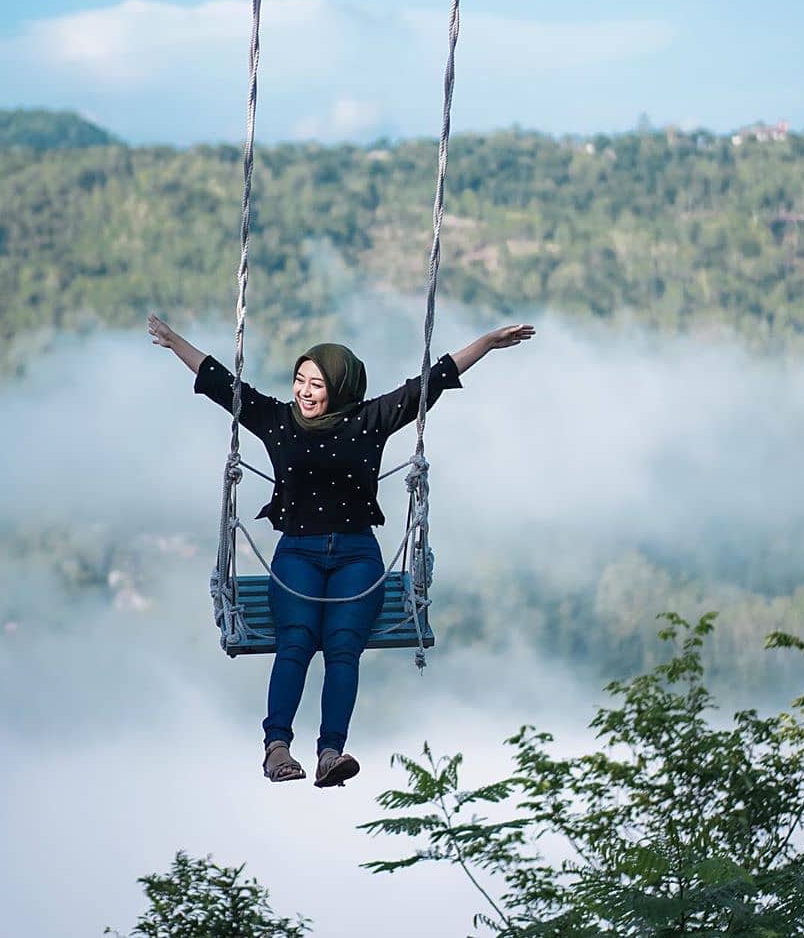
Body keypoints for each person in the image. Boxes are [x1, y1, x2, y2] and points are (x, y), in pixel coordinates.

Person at [147, 313, 535, 788]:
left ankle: (331, 752)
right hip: (298, 553)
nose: (304, 392)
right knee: (295, 642)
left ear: (340, 386)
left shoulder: (369, 420)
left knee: (343, 649)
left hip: (357, 555)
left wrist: (488, 343)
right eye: (299, 381)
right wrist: (173, 342)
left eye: (316, 383)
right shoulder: (275, 420)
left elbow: (430, 382)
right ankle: (277, 748)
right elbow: (220, 382)